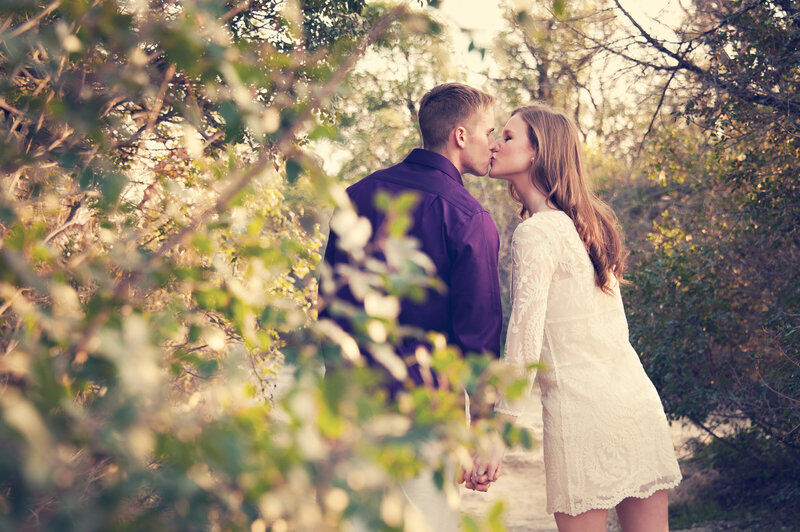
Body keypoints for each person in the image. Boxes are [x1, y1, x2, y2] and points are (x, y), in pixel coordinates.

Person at [480, 104, 682, 532]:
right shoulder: (590, 222)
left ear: (538, 152)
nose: (495, 144)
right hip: (635, 402)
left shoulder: (535, 233)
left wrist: (498, 434)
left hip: (583, 416)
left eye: (509, 137)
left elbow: (524, 344)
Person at [318, 82, 503, 530]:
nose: (495, 144)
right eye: (490, 132)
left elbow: (330, 313)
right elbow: (476, 338)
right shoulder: (469, 218)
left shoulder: (356, 197)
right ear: (461, 136)